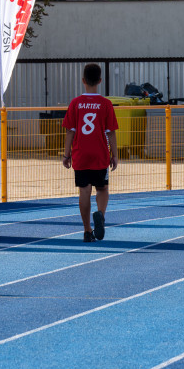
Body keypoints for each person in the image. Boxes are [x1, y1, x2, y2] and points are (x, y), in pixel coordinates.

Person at [62, 63, 118, 242]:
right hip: (100, 153)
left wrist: (66, 154)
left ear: (83, 81)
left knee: (84, 191)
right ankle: (100, 214)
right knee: (102, 188)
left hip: (81, 153)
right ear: (100, 81)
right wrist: (115, 155)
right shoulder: (106, 104)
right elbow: (111, 132)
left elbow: (70, 130)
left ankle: (87, 231)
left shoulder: (76, 103)